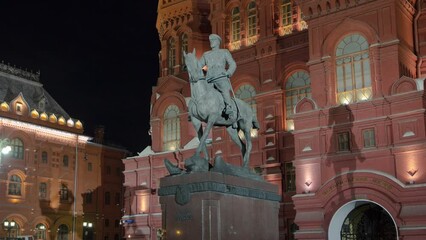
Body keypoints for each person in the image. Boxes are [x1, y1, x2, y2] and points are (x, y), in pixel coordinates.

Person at [200, 34, 237, 121]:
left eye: (213, 40)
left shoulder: (224, 52)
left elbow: (233, 64)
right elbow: (199, 65)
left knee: (224, 89)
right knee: (200, 93)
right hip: (209, 80)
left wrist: (228, 72)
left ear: (218, 42)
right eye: (210, 41)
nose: (211, 42)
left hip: (220, 77)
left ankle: (229, 107)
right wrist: (192, 64)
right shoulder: (206, 54)